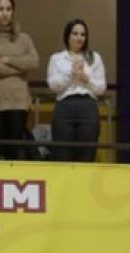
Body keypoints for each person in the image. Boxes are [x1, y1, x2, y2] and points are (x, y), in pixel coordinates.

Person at [0, 0, 39, 160]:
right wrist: (19, 69)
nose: (5, 13)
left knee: (14, 150)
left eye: (8, 9)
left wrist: (7, 59)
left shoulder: (24, 39)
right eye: (0, 9)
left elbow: (34, 62)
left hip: (18, 101)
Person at [47, 18, 106, 162]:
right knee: (62, 154)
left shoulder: (94, 58)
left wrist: (87, 79)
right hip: (64, 106)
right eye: (75, 34)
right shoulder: (57, 59)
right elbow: (52, 84)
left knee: (86, 154)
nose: (79, 38)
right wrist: (70, 75)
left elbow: (101, 87)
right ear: (67, 36)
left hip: (87, 106)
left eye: (83, 34)